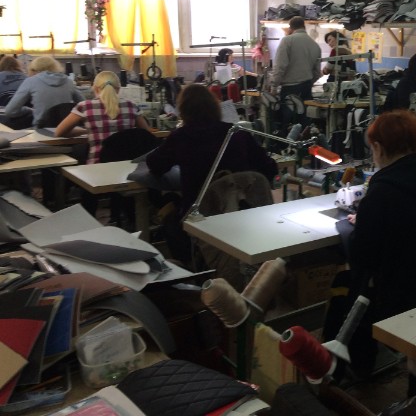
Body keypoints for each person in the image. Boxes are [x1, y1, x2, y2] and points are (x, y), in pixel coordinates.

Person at [324, 110, 416, 376]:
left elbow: (363, 256)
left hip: (399, 296)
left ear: (378, 147)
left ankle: (348, 369)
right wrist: (369, 218)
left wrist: (356, 225)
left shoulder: (383, 191)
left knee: (346, 284)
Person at [146, 83, 278, 261]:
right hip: (242, 212)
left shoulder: (181, 137)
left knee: (170, 220)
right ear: (215, 106)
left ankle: (192, 266)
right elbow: (270, 168)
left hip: (201, 217)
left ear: (183, 110)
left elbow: (155, 164)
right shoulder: (237, 134)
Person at [55, 70, 151, 164]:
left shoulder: (84, 106)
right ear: (118, 89)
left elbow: (59, 132)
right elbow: (146, 134)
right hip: (127, 165)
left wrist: (86, 131)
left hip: (97, 165)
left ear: (95, 88)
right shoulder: (131, 106)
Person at [2, 56, 84, 128]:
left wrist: (28, 110)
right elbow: (84, 105)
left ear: (34, 69)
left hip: (41, 129)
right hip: (66, 129)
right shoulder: (68, 81)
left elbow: (10, 111)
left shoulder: (31, 81)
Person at [272, 16, 321, 128]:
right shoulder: (315, 45)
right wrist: (308, 82)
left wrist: (273, 86)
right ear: (304, 26)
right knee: (305, 125)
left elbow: (280, 66)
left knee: (289, 125)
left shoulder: (287, 40)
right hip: (307, 89)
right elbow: (317, 73)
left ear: (290, 28)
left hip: (290, 90)